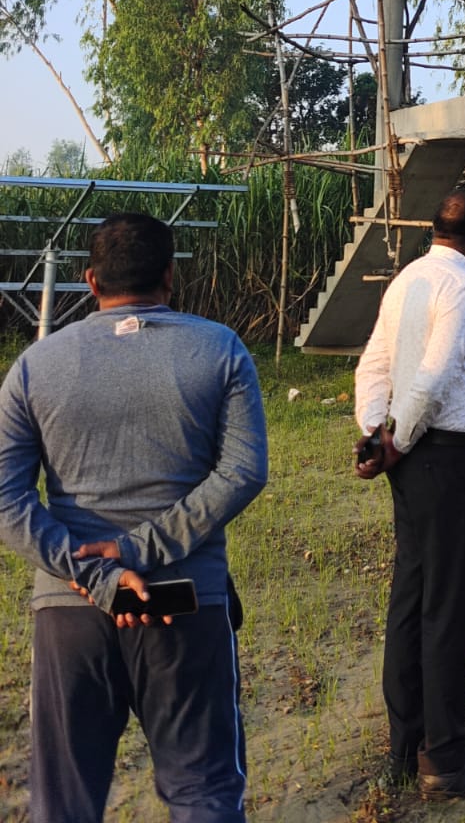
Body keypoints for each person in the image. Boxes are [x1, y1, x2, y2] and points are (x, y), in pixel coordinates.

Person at [0, 211, 268, 823]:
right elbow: (244, 472)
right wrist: (138, 552)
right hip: (185, 606)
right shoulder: (219, 349)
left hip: (68, 615)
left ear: (91, 282)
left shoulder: (35, 367)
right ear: (171, 276)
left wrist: (94, 572)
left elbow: (6, 498)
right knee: (202, 793)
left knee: (64, 804)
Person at [353, 185, 465, 801]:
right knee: (447, 611)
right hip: (445, 461)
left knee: (412, 600)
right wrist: (393, 436)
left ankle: (405, 749)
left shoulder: (405, 282)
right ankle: (445, 761)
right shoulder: (462, 286)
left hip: (411, 460)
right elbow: (436, 372)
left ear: (434, 229)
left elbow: (373, 366)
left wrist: (376, 431)